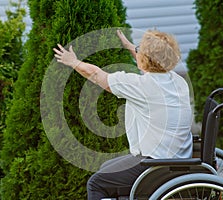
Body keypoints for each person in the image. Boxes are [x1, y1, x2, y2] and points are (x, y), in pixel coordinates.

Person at [53, 29, 193, 199]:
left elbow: (96, 75)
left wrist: (73, 62)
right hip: (179, 160)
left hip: (156, 165)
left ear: (145, 59)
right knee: (107, 166)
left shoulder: (141, 86)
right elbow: (154, 65)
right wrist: (130, 47)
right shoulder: (178, 81)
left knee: (96, 182)